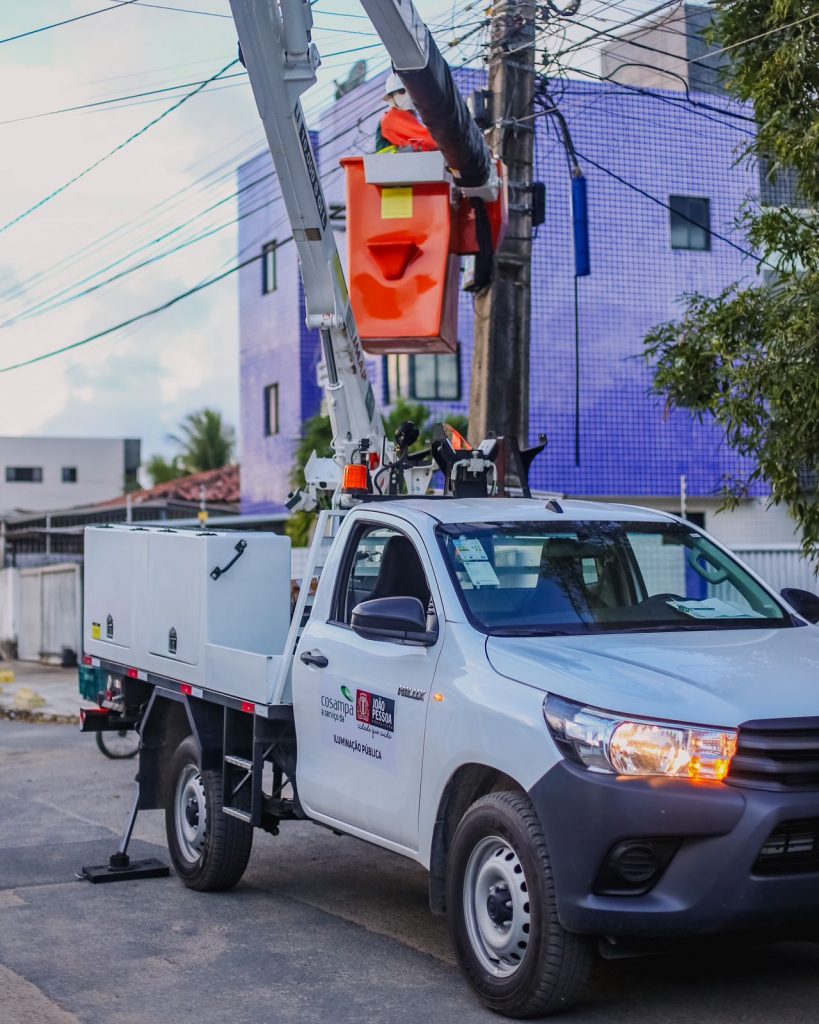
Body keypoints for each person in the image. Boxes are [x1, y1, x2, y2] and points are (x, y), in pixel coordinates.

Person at [375, 72, 437, 153]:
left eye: (413, 92)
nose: (409, 96)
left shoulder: (408, 120)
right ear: (390, 98)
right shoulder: (393, 117)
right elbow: (431, 140)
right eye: (402, 91)